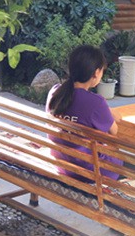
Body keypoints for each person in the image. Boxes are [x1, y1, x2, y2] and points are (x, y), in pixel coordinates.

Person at [46, 45, 122, 181]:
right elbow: (114, 132)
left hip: (61, 163)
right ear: (96, 73)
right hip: (88, 171)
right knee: (129, 161)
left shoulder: (55, 92)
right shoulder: (96, 102)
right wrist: (108, 111)